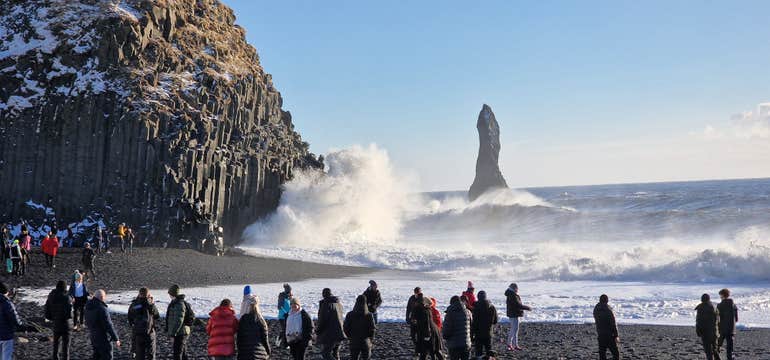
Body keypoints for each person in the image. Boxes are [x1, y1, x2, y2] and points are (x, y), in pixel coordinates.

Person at [85, 290, 121, 360]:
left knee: (96, 356)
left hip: (93, 336)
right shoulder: (102, 308)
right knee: (107, 357)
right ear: (102, 297)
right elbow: (108, 325)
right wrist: (116, 338)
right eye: (104, 297)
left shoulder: (88, 306)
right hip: (103, 338)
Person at [127, 288, 160, 360]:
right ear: (148, 295)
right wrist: (151, 302)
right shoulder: (150, 304)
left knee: (139, 355)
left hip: (138, 332)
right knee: (151, 355)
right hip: (150, 332)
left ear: (139, 294)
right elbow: (157, 315)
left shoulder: (134, 304)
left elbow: (130, 317)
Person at [316, 288, 346, 360]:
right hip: (340, 332)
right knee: (335, 352)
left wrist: (318, 330)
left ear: (323, 294)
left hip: (330, 334)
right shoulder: (338, 304)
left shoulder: (326, 304)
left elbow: (322, 320)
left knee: (326, 353)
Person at [166, 284, 195, 360]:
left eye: (169, 293)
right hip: (181, 332)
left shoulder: (179, 304)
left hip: (180, 333)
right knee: (183, 353)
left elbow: (179, 320)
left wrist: (173, 333)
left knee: (177, 354)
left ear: (172, 294)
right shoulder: (176, 303)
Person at [237, 295, 271, 360]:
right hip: (260, 354)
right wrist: (268, 351)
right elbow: (265, 339)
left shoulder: (243, 319)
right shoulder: (261, 320)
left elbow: (239, 339)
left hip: (245, 354)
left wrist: (240, 352)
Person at [45, 280, 72, 360]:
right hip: (66, 325)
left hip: (56, 323)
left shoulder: (51, 296)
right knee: (65, 347)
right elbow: (69, 314)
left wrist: (52, 318)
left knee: (56, 345)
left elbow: (47, 311)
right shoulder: (67, 298)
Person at [344, 295, 376, 360]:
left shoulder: (350, 314)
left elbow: (345, 328)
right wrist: (371, 339)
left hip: (354, 341)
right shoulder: (369, 315)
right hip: (365, 342)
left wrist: (349, 337)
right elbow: (372, 329)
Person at [443, 295, 472, 360]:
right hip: (466, 343)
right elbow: (471, 326)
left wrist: (445, 337)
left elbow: (447, 329)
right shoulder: (468, 312)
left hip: (454, 344)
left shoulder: (450, 313)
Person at [414, 296, 443, 360]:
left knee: (432, 352)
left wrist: (427, 335)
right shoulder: (428, 310)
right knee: (433, 352)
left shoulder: (427, 311)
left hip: (430, 333)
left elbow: (428, 323)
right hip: (432, 332)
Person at [471, 291, 498, 359]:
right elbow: (495, 321)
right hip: (488, 332)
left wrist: (472, 333)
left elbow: (474, 322)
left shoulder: (476, 307)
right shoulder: (491, 307)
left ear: (478, 297)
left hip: (478, 333)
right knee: (489, 351)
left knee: (478, 352)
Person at [504, 283, 531, 351]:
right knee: (514, 330)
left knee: (514, 329)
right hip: (514, 314)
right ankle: (512, 344)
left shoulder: (511, 294)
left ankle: (512, 344)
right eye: (516, 288)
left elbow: (516, 305)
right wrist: (527, 308)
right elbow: (518, 305)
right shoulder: (513, 295)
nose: (517, 290)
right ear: (514, 288)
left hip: (513, 314)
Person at [593, 294, 620, 360]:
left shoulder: (596, 309)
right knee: (616, 354)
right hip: (609, 335)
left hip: (600, 334)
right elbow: (613, 323)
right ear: (607, 300)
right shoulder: (608, 310)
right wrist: (616, 335)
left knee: (602, 354)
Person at [0, 282, 22, 359]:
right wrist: (21, 325)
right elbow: (14, 318)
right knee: (6, 356)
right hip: (6, 335)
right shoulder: (6, 303)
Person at [695, 293, 721, 360]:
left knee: (708, 351)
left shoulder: (700, 308)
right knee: (715, 349)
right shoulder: (714, 307)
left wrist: (698, 331)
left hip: (705, 332)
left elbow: (699, 321)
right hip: (714, 332)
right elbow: (718, 320)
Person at [717, 289, 737, 360]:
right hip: (731, 329)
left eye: (720, 295)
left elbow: (717, 318)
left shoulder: (719, 305)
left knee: (718, 345)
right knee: (730, 348)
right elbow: (736, 319)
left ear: (722, 295)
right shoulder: (734, 305)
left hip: (722, 329)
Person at [406, 287, 423, 353]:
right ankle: (417, 346)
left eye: (418, 292)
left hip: (420, 320)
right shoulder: (411, 298)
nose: (416, 293)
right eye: (415, 292)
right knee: (413, 335)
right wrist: (407, 317)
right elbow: (408, 308)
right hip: (413, 319)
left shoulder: (422, 298)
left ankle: (418, 349)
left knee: (419, 335)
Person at [277, 283, 292, 348]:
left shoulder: (290, 296)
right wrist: (285, 313)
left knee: (286, 330)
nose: (290, 291)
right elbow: (279, 306)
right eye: (289, 290)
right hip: (282, 316)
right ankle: (285, 344)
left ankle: (279, 341)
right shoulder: (282, 296)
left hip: (288, 316)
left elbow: (291, 306)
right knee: (285, 329)